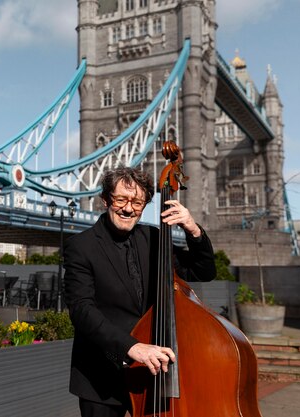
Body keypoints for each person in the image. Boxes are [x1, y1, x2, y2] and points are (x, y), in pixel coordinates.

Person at [63, 166, 216, 417]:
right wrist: (131, 347)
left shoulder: (155, 238)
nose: (128, 208)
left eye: (137, 202)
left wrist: (193, 230)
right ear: (105, 200)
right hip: (101, 377)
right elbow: (81, 310)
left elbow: (203, 272)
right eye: (121, 199)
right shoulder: (81, 246)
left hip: (151, 374)